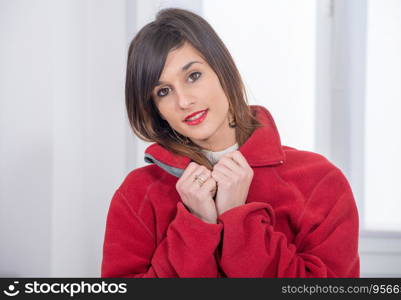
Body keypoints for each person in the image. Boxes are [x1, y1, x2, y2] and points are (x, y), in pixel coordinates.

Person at [101, 8, 360, 278]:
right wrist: (196, 225)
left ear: (222, 69)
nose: (184, 101)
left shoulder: (319, 180)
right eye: (163, 92)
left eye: (193, 76)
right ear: (155, 108)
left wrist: (238, 217)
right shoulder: (137, 194)